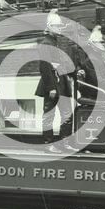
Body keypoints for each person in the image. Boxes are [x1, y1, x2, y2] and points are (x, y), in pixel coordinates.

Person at [34, 10, 74, 153]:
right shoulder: (46, 43)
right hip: (51, 84)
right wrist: (51, 87)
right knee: (49, 116)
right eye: (57, 26)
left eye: (60, 26)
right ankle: (48, 144)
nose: (59, 28)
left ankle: (64, 143)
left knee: (67, 114)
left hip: (61, 83)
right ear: (50, 27)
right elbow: (44, 66)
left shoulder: (54, 42)